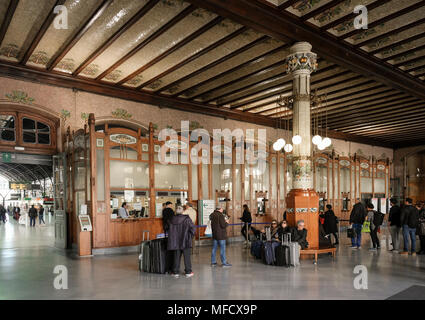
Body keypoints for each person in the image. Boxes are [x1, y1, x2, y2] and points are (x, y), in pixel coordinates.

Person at [167, 206, 196, 278]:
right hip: (185, 240)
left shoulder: (171, 219)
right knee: (187, 257)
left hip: (175, 241)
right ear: (183, 211)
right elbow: (193, 229)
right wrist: (190, 236)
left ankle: (175, 272)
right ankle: (188, 272)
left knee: (176, 257)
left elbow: (166, 228)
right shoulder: (187, 219)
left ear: (175, 212)